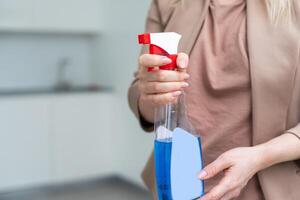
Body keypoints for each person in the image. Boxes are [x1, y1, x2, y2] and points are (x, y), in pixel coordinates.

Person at [128, 0, 300, 199]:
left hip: (266, 190)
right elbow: (143, 99)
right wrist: (153, 92)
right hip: (176, 188)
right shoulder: (167, 4)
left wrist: (261, 157)